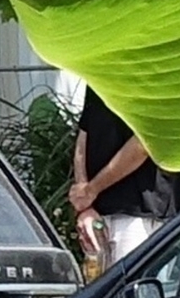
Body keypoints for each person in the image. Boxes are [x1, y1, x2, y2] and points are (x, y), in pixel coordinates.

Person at [69, 90, 173, 267]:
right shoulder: (101, 70)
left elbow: (143, 144)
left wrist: (89, 192)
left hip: (141, 214)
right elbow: (84, 134)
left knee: (131, 288)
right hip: (100, 214)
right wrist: (85, 200)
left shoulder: (158, 74)